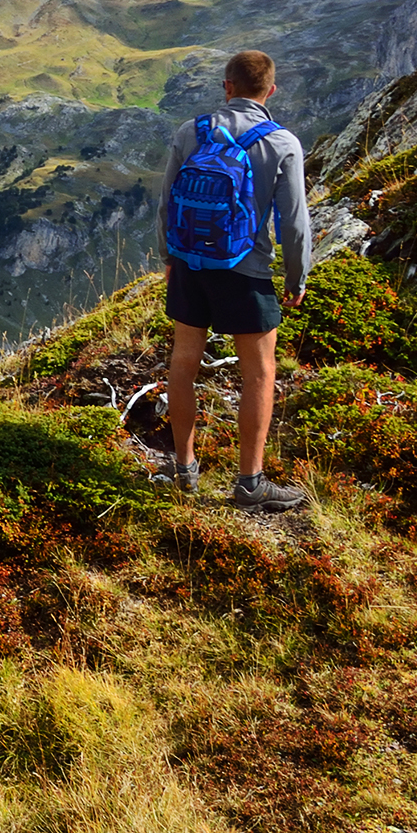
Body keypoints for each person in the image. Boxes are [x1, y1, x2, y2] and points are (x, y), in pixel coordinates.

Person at [157, 49, 311, 511]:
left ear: (226, 87)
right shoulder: (281, 143)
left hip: (190, 266)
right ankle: (249, 484)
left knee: (183, 364)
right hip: (246, 269)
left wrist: (170, 256)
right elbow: (294, 221)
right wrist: (296, 276)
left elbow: (166, 202)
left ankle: (183, 469)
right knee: (259, 374)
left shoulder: (192, 131)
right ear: (270, 91)